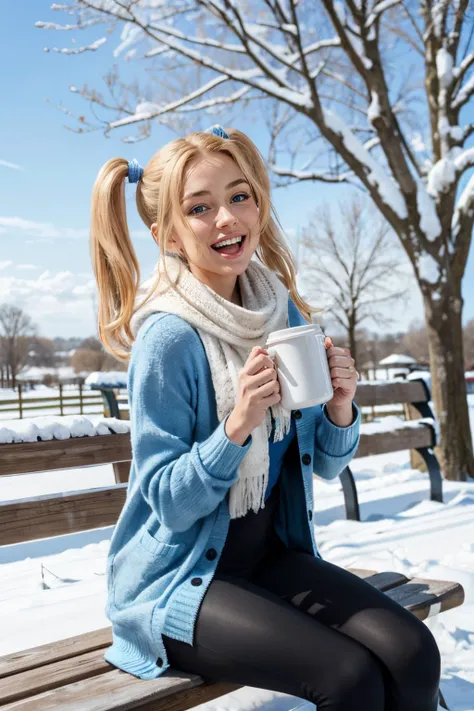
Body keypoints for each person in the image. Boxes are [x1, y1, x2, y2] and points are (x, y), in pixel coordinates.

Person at [90, 125, 441, 710]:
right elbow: (166, 502)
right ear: (167, 236)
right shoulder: (170, 339)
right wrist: (236, 428)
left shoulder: (281, 311)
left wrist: (339, 405)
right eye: (199, 208)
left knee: (412, 653)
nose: (226, 218)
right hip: (181, 581)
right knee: (348, 678)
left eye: (239, 196)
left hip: (271, 560)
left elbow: (326, 466)